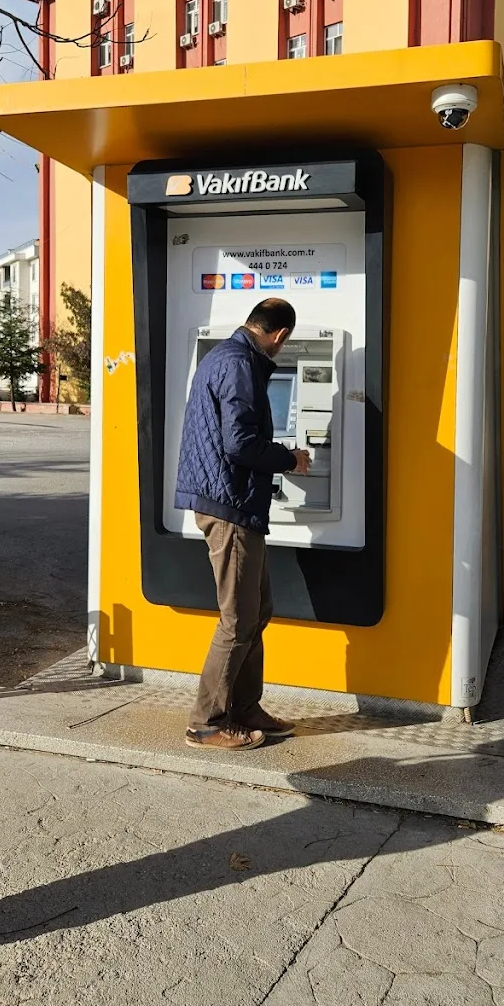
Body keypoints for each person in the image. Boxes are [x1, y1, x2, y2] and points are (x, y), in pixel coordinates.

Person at [175, 298, 310, 750]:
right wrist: (290, 458)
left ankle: (246, 707)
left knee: (259, 609)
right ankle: (205, 721)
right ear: (280, 335)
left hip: (234, 502)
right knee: (237, 618)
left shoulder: (225, 356)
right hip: (229, 504)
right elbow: (241, 443)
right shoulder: (240, 365)